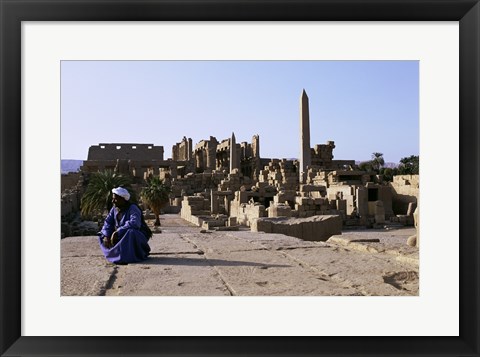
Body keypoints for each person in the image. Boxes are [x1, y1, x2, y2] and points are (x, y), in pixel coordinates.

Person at [98, 187, 151, 265]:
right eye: (113, 199)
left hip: (137, 236)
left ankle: (128, 256)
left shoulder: (133, 208)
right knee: (101, 235)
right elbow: (108, 222)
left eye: (115, 199)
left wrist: (118, 232)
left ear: (123, 199)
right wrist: (107, 235)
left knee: (130, 232)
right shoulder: (114, 209)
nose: (113, 201)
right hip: (120, 235)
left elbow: (135, 223)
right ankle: (114, 254)